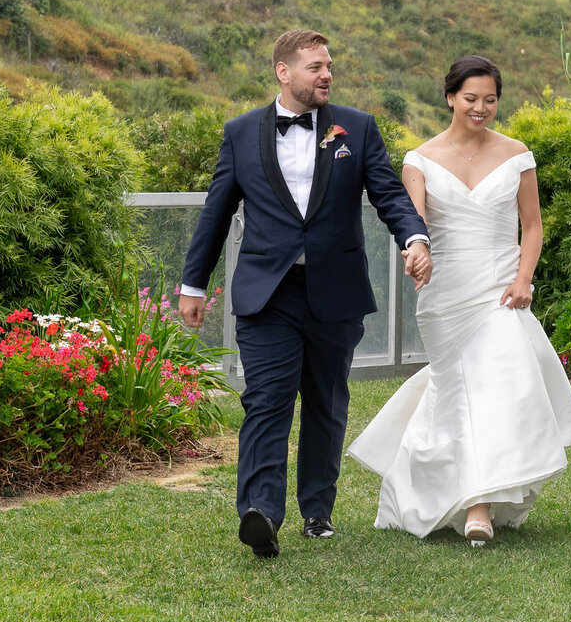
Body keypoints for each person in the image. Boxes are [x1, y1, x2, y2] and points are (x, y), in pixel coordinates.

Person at [178, 29, 433, 560]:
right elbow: (216, 212)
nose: (326, 75)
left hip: (333, 291)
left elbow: (387, 192)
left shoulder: (357, 129)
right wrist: (193, 283)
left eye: (329, 66)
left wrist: (414, 237)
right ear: (283, 72)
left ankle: (317, 510)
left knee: (325, 402)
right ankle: (262, 513)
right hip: (266, 295)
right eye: (315, 66)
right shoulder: (241, 132)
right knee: (265, 401)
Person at [349, 54, 571, 544]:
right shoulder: (420, 159)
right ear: (451, 97)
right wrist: (418, 254)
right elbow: (412, 225)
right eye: (471, 99)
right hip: (446, 292)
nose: (481, 108)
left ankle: (479, 504)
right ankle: (443, 488)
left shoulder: (517, 153)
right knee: (456, 389)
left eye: (491, 100)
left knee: (498, 382)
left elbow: (533, 224)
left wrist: (524, 279)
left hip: (502, 286)